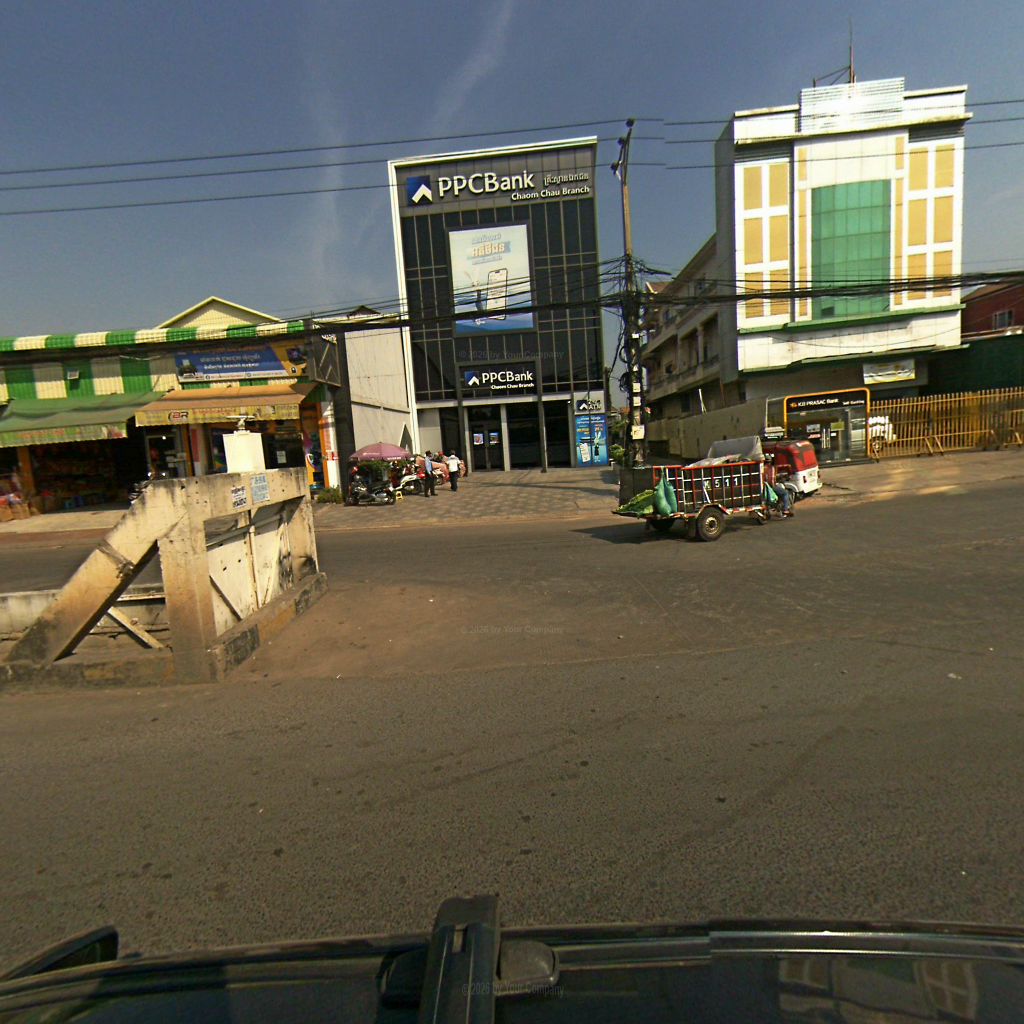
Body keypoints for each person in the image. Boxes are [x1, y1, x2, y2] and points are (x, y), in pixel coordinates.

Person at [763, 454, 793, 518]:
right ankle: (785, 510)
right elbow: (771, 480)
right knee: (785, 493)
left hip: (763, 487)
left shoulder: (761, 468)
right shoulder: (771, 468)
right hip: (770, 487)